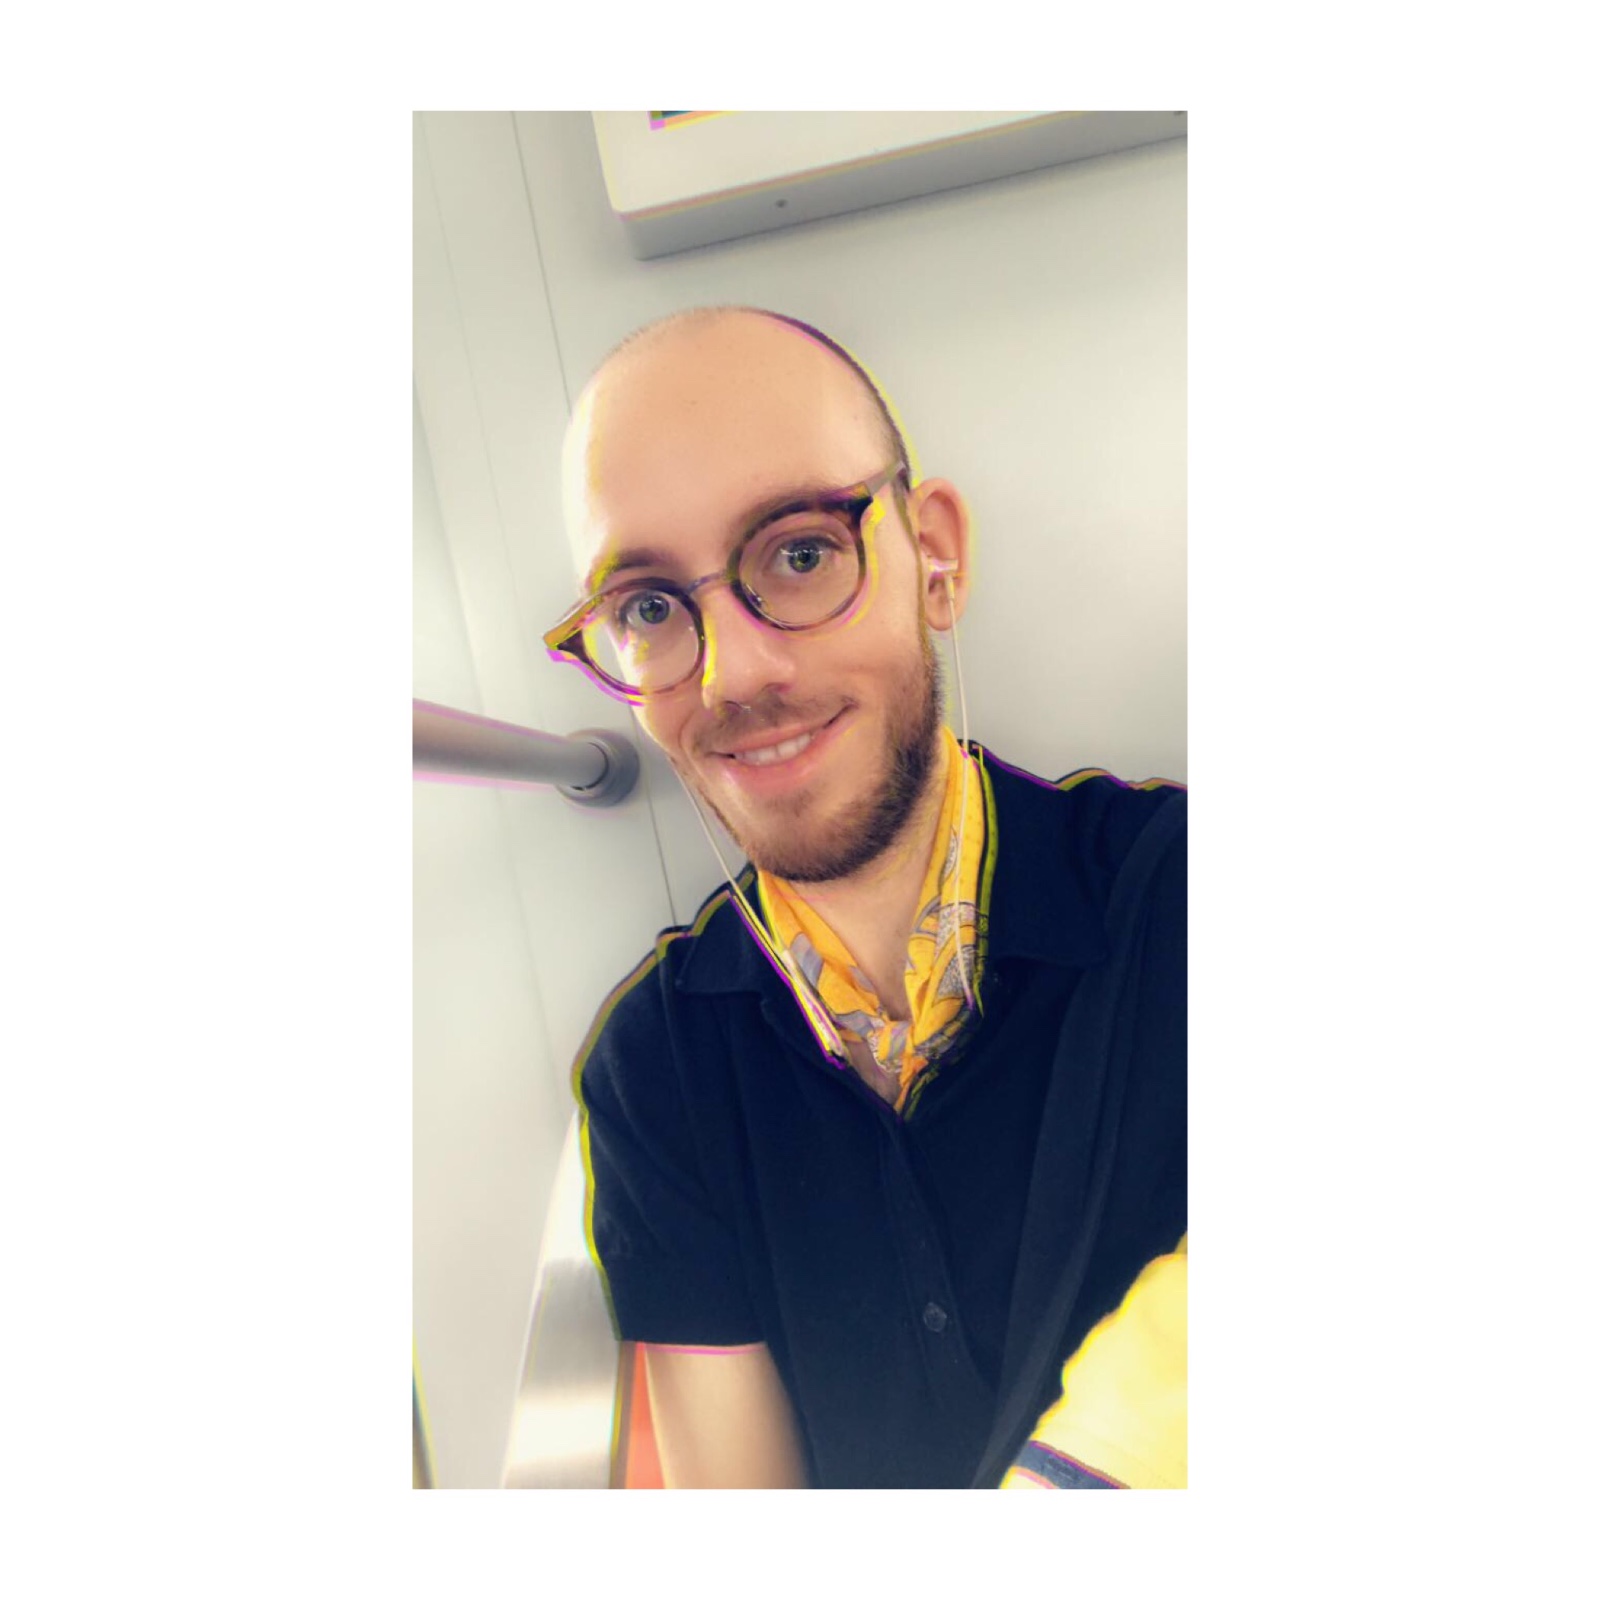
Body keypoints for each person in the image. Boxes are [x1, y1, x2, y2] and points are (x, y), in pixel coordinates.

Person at [544, 305, 1186, 1489]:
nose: (734, 674)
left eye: (799, 553)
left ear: (934, 557)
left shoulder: (1185, 896)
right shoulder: (655, 1070)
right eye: (647, 608)